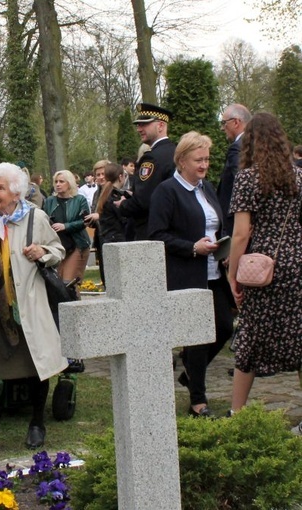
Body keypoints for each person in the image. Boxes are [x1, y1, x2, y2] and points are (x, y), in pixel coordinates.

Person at [0, 162, 67, 450]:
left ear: (16, 193)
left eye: (0, 188)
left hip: (28, 309)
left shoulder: (36, 218)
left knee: (36, 367)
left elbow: (59, 250)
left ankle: (37, 423)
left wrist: (42, 251)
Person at [149, 131, 234, 418]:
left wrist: (223, 245)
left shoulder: (207, 188)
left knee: (224, 327)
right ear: (181, 160)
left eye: (207, 159)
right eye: (198, 159)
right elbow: (157, 235)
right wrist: (192, 248)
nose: (204, 165)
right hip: (186, 272)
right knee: (198, 336)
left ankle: (190, 371)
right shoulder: (167, 191)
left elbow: (216, 225)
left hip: (213, 272)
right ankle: (198, 401)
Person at [225, 113, 302, 423]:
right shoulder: (299, 178)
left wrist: (232, 276)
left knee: (251, 336)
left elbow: (242, 232)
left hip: (261, 268)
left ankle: (237, 413)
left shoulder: (247, 178)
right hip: (296, 263)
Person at [117, 103, 176, 240]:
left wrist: (123, 205)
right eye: (138, 125)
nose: (139, 129)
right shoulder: (176, 152)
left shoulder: (152, 158)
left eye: (144, 124)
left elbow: (144, 201)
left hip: (153, 232)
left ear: (160, 125)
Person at [42, 170, 90, 292]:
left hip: (77, 245)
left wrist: (66, 226)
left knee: (68, 283)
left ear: (69, 183)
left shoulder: (80, 200)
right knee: (57, 285)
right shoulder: (50, 201)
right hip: (58, 246)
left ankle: (75, 310)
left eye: (61, 181)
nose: (58, 184)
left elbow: (85, 221)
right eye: (56, 182)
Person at [89, 162, 128, 281]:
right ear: (120, 177)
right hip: (112, 237)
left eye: (103, 174)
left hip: (107, 236)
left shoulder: (109, 193)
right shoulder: (110, 195)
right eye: (98, 174)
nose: (100, 177)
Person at [216, 104, 251, 236]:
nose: (222, 128)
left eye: (224, 123)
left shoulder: (237, 148)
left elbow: (243, 183)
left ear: (236, 122)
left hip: (237, 222)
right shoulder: (256, 144)